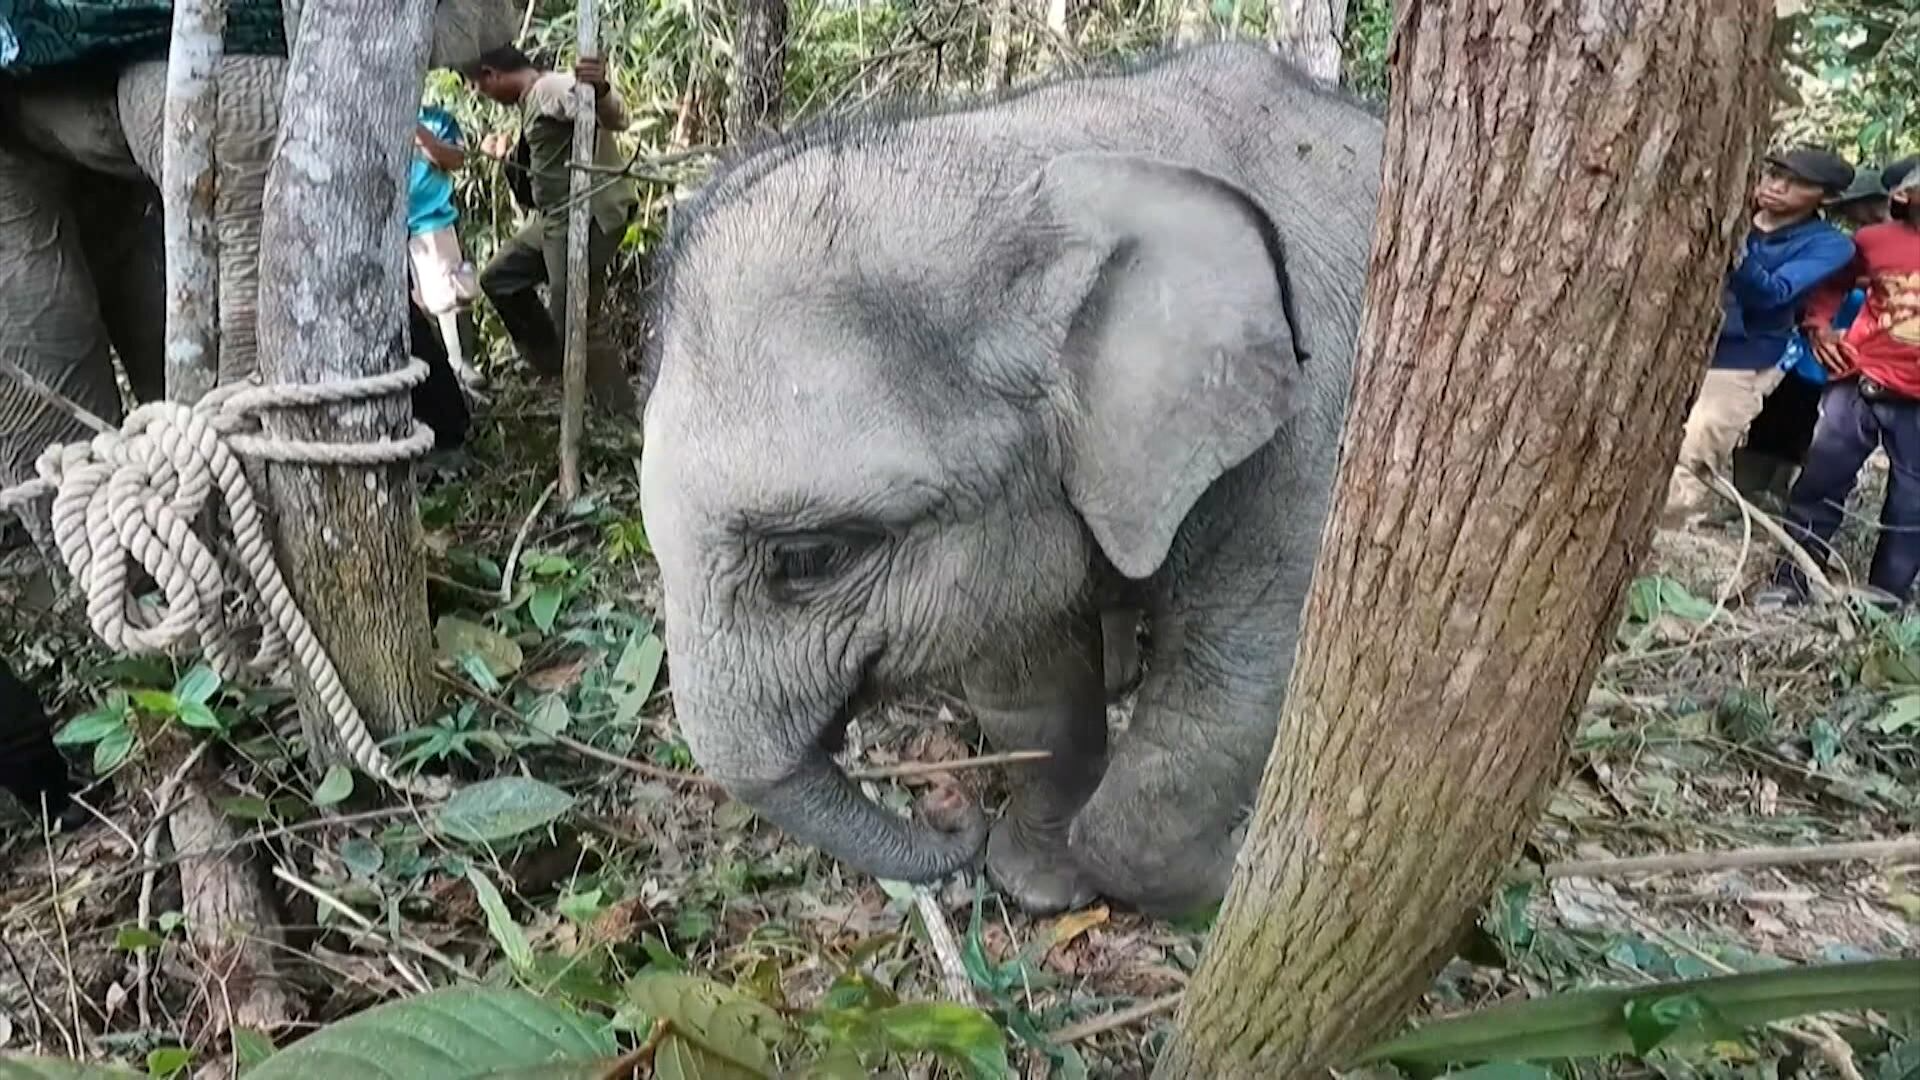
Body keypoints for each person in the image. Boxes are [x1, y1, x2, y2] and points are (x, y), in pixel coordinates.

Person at [1664, 149, 1857, 523]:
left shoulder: (1829, 244)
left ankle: (1665, 530)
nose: (1777, 186)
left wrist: (1731, 239)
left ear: (1828, 197)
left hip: (1746, 354)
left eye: (1798, 183)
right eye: (1774, 173)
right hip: (1680, 339)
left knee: (1702, 439)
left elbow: (1774, 293)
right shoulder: (1729, 203)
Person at [1760, 165, 1920, 608]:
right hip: (1861, 381)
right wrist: (1819, 327)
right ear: (1905, 198)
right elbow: (1833, 284)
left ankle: (1885, 597)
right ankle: (1792, 579)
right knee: (1821, 482)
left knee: (1912, 504)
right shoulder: (1874, 241)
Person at [459, 46, 638, 413]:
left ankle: (621, 415)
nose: (482, 96)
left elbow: (615, 117)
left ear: (492, 74)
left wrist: (599, 89)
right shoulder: (531, 100)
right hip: (555, 218)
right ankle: (555, 365)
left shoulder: (549, 89)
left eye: (479, 87)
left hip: (588, 213)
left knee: (577, 318)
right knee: (500, 277)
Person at [1734, 166, 1891, 507]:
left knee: (1808, 429)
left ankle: (1774, 495)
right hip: (1809, 349)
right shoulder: (1848, 244)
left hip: (1853, 356)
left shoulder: (1876, 246)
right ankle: (1748, 495)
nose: (1860, 214)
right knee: (1778, 419)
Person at [407, 103, 486, 390]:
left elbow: (457, 158)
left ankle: (461, 365)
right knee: (416, 304)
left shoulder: (437, 120)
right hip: (387, 223)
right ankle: (435, 374)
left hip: (430, 220)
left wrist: (421, 136)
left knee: (449, 294)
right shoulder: (371, 110)